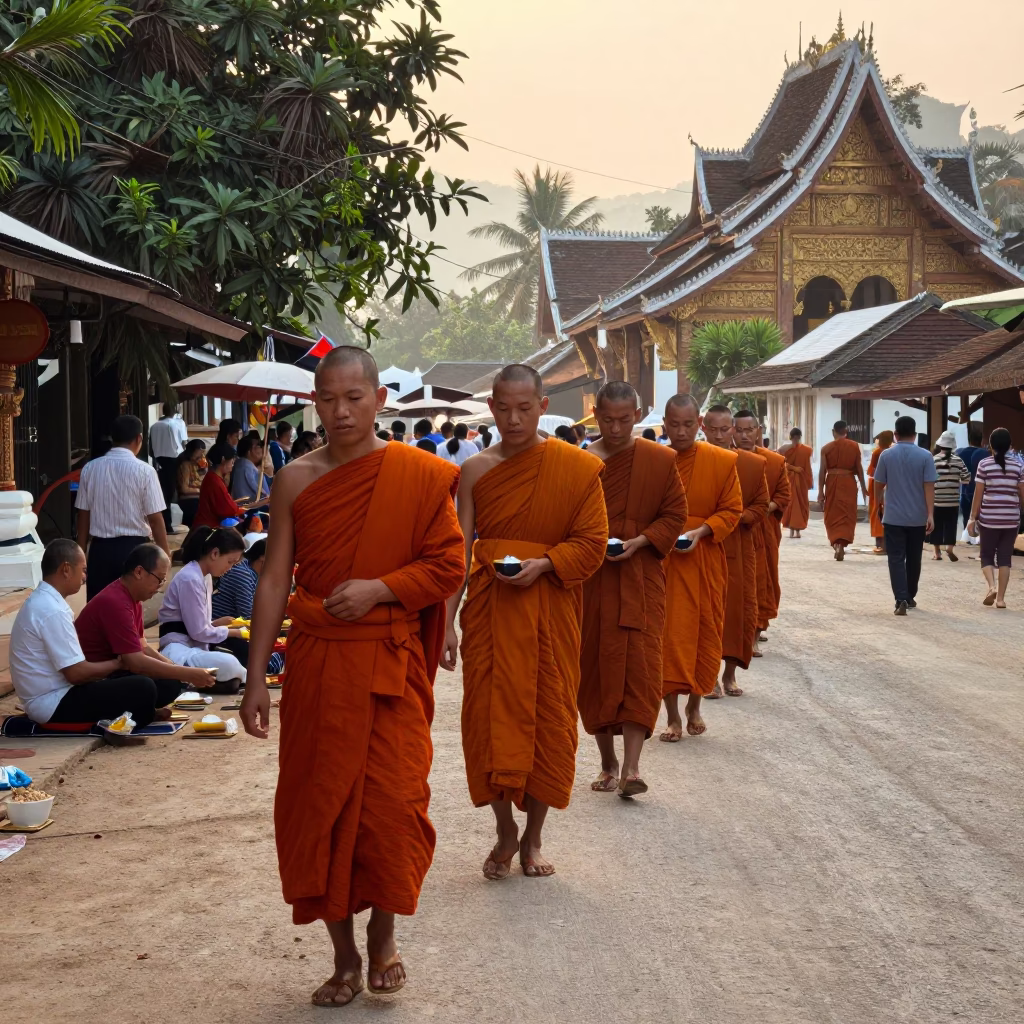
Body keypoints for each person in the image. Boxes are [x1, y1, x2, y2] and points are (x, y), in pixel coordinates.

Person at [238, 346, 463, 1006]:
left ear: (379, 400)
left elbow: (448, 566)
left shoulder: (417, 475)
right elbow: (275, 576)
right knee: (319, 810)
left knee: (390, 810)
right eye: (327, 400)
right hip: (317, 663)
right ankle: (342, 956)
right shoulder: (296, 479)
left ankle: (384, 938)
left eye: (353, 398)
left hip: (385, 667)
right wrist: (257, 678)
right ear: (315, 403)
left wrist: (382, 590)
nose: (340, 411)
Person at [441, 364, 607, 881]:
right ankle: (504, 828)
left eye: (524, 407)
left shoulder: (574, 468)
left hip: (551, 609)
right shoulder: (475, 470)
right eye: (503, 407)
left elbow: (593, 541)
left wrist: (547, 564)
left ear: (542, 406)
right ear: (491, 407)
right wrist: (446, 623)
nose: (513, 418)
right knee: (489, 723)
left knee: (549, 720)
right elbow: (458, 550)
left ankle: (533, 837)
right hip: (490, 611)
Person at [578, 382, 686, 797]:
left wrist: (640, 541)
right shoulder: (581, 461)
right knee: (594, 669)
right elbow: (570, 518)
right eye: (608, 419)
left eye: (625, 419)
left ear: (638, 414)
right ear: (595, 414)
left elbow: (675, 512)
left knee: (641, 667)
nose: (617, 427)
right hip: (592, 579)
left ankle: (633, 768)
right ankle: (607, 762)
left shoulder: (659, 459)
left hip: (641, 576)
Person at [9, 541, 191, 730]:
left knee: (158, 684)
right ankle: (141, 713)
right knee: (143, 688)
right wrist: (119, 663)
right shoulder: (51, 610)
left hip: (60, 692)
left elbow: (139, 647)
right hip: (52, 702)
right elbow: (76, 674)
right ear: (66, 569)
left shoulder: (47, 602)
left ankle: (142, 712)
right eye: (83, 570)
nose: (84, 577)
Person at [659, 396, 741, 741]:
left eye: (688, 424)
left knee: (703, 633)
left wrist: (702, 530)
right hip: (663, 561)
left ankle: (695, 705)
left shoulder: (721, 461)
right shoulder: (653, 460)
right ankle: (673, 716)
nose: (681, 431)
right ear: (664, 424)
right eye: (674, 425)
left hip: (704, 558)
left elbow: (732, 510)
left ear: (699, 424)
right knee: (666, 636)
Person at [75, 542, 215, 702]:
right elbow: (136, 662)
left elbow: (143, 646)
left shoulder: (134, 599)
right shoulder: (114, 601)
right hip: (93, 679)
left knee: (169, 683)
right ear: (139, 572)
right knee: (145, 686)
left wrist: (174, 667)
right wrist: (187, 673)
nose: (159, 588)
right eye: (159, 580)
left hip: (117, 669)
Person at [702, 406, 768, 698]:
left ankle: (728, 675)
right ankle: (707, 677)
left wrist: (735, 517)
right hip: (701, 548)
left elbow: (761, 505)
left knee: (736, 612)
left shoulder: (752, 465)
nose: (719, 436)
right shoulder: (691, 461)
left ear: (733, 429)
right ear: (703, 428)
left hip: (737, 548)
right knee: (703, 615)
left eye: (725, 429)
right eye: (713, 430)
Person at [76, 414, 169, 601]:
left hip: (100, 550)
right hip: (134, 549)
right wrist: (165, 553)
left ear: (113, 438)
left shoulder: (90, 468)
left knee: (99, 606)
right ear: (139, 438)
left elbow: (83, 515)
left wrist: (81, 552)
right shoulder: (145, 471)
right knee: (129, 605)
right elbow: (155, 519)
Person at [158, 526, 248, 691]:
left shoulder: (204, 577)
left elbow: (198, 626)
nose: (230, 568)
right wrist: (235, 632)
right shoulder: (190, 578)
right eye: (230, 562)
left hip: (192, 648)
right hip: (177, 651)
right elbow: (199, 632)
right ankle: (240, 677)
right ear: (214, 554)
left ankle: (233, 679)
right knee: (229, 663)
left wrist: (215, 623)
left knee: (232, 659)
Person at [735, 411, 790, 648]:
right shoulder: (723, 458)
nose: (744, 435)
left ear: (758, 431)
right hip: (733, 528)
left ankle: (756, 632)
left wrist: (760, 509)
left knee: (762, 579)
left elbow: (784, 495)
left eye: (749, 430)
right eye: (739, 430)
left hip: (763, 529)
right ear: (731, 430)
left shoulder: (774, 461)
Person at [872, 415, 937, 615]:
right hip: (917, 517)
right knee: (914, 557)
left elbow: (878, 483)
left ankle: (900, 597)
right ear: (915, 435)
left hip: (894, 516)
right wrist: (930, 514)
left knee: (896, 557)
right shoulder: (926, 456)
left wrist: (879, 502)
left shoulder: (886, 455)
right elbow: (929, 487)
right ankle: (910, 595)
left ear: (895, 435)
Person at [967, 427, 1024, 609]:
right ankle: (1000, 599)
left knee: (986, 555)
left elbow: (979, 493)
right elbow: (1022, 492)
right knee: (1005, 558)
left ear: (990, 445)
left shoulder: (985, 464)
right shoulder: (1019, 465)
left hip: (989, 518)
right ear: (1009, 445)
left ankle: (991, 587)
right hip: (1011, 518)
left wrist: (972, 517)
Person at [211, 539, 284, 675]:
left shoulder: (254, 573)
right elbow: (249, 615)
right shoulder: (243, 574)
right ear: (263, 559)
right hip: (224, 629)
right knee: (270, 666)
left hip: (241, 628)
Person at [818, 420, 867, 560]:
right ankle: (842, 544)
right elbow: (859, 469)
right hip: (849, 483)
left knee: (831, 514)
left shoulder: (826, 448)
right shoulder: (854, 446)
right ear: (846, 432)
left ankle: (836, 544)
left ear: (833, 432)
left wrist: (820, 493)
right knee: (847, 514)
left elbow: (822, 472)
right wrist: (863, 488)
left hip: (832, 482)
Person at [930, 430, 970, 561]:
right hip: (952, 501)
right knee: (951, 525)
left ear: (940, 445)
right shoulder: (958, 461)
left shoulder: (934, 460)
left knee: (936, 526)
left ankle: (937, 553)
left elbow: (929, 479)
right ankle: (949, 548)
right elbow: (966, 479)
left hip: (937, 500)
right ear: (953, 446)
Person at [149, 402, 187, 534]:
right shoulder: (176, 424)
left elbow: (150, 449)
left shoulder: (154, 426)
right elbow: (182, 443)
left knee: (163, 493)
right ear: (173, 411)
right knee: (172, 493)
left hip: (159, 461)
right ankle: (168, 525)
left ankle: (166, 524)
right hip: (174, 459)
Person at [194, 443, 248, 532]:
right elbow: (229, 509)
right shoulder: (214, 480)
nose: (232, 465)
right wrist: (241, 510)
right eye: (231, 462)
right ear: (223, 459)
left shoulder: (214, 477)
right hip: (209, 527)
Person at [956, 421, 987, 542]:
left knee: (966, 517)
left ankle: (968, 539)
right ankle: (979, 540)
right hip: (980, 490)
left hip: (964, 490)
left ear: (969, 439)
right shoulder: (985, 454)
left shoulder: (960, 453)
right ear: (981, 441)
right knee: (980, 518)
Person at [780, 428, 813, 538]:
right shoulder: (805, 449)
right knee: (796, 503)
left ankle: (794, 530)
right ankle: (795, 531)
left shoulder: (785, 448)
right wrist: (795, 469)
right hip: (794, 479)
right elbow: (782, 463)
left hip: (794, 479)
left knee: (794, 503)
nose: (795, 438)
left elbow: (781, 463)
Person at [867, 430, 894, 554]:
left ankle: (882, 546)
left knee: (878, 513)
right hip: (891, 486)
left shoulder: (878, 452)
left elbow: (872, 471)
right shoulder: (893, 451)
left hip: (877, 485)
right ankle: (889, 545)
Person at [175, 439, 207, 528]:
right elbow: (184, 489)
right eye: (198, 455)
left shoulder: (199, 465)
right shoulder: (185, 465)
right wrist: (199, 490)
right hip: (189, 500)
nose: (201, 457)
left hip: (198, 497)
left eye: (202, 454)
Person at [231, 435, 272, 502]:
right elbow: (263, 496)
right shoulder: (246, 468)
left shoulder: (241, 465)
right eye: (259, 446)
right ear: (249, 452)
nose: (262, 449)